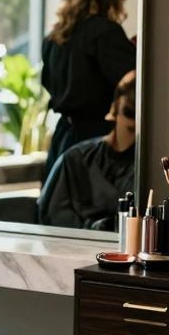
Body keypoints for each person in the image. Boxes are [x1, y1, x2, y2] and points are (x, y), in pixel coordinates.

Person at [41, 0, 136, 183]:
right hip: (96, 145)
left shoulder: (55, 37)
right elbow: (133, 87)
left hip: (62, 141)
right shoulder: (105, 34)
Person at [40, 71, 136, 229]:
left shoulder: (150, 171)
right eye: (129, 112)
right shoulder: (75, 160)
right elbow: (53, 215)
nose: (132, 123)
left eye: (138, 115)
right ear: (116, 108)